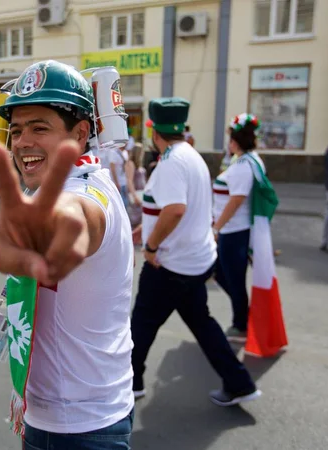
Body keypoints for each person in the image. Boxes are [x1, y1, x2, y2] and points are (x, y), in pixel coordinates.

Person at [0, 60, 134, 449]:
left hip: (81, 430)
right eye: (16, 130)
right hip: (58, 415)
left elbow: (78, 219)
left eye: (40, 128)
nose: (21, 142)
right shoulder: (74, 180)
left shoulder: (85, 194)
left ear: (80, 132)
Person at [131, 98, 260, 407]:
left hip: (170, 264)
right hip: (194, 261)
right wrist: (144, 230)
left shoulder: (171, 162)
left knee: (141, 325)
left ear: (155, 131)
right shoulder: (190, 155)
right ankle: (240, 383)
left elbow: (175, 210)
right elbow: (172, 208)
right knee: (203, 324)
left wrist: (150, 246)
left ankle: (130, 383)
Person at [212, 114, 266, 342]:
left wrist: (217, 227)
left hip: (234, 231)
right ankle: (243, 312)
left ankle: (241, 323)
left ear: (236, 141)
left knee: (233, 278)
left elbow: (236, 200)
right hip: (233, 230)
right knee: (222, 273)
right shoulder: (246, 160)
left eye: (231, 139)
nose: (229, 143)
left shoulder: (244, 165)